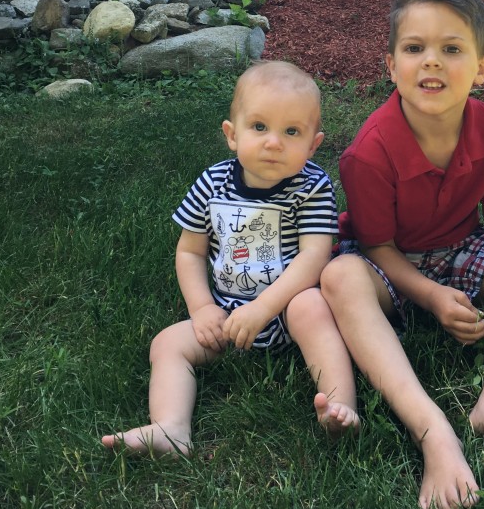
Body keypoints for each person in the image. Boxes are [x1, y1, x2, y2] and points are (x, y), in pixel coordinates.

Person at [320, 0, 484, 509]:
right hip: (389, 265)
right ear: (391, 66)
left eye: (451, 49)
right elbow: (377, 246)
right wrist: (432, 297)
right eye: (414, 48)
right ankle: (431, 429)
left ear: (481, 69)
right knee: (338, 278)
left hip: (461, 251)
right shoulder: (369, 152)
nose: (431, 61)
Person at [102, 60, 358, 456]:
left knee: (312, 307)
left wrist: (265, 308)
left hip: (289, 308)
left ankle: (339, 405)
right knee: (167, 343)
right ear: (231, 135)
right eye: (260, 127)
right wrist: (202, 308)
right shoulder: (212, 183)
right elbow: (189, 251)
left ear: (313, 145)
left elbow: (314, 257)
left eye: (292, 132)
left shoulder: (311, 187)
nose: (274, 142)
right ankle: (171, 427)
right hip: (227, 314)